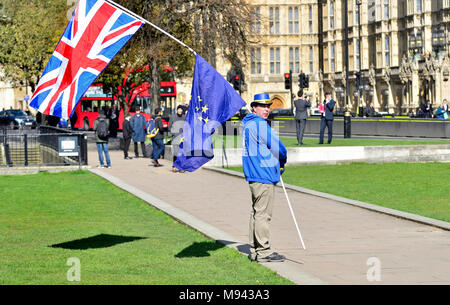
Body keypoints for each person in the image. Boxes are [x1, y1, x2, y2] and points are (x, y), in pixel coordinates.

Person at [242, 93, 288, 263]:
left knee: (256, 213)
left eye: (268, 106)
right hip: (263, 174)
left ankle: (255, 250)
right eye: (263, 106)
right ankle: (263, 252)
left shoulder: (248, 124)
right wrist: (282, 160)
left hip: (253, 174)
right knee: (263, 215)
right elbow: (279, 148)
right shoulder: (260, 125)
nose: (267, 109)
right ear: (254, 107)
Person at [169, 105, 186, 172]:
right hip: (175, 137)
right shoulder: (173, 116)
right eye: (179, 109)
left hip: (182, 138)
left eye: (181, 109)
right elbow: (169, 127)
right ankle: (174, 166)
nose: (180, 111)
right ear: (177, 110)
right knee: (176, 153)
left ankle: (181, 167)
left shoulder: (184, 117)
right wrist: (174, 133)